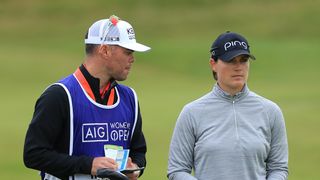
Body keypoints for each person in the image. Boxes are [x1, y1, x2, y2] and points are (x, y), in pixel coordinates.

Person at [24, 15, 150, 180]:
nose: (132, 59)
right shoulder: (60, 95)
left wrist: (135, 168)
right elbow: (33, 154)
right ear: (104, 50)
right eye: (127, 52)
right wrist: (88, 165)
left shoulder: (129, 98)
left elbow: (138, 151)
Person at [167, 31, 288, 180]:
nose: (238, 67)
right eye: (231, 60)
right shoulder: (192, 112)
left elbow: (278, 168)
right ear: (213, 64)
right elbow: (177, 170)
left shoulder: (271, 111)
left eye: (243, 60)